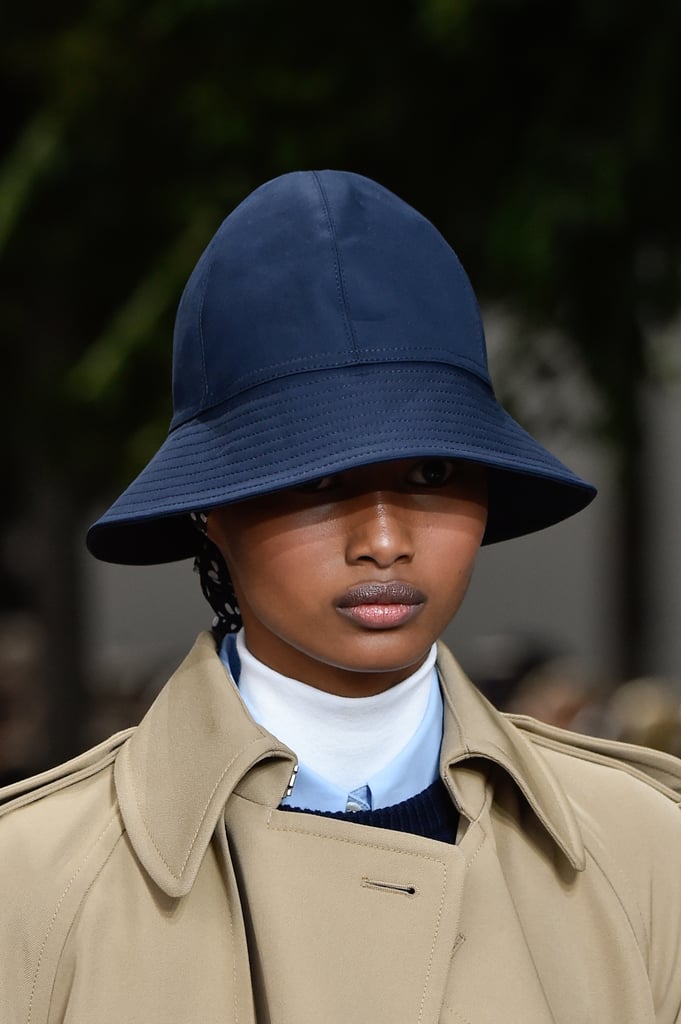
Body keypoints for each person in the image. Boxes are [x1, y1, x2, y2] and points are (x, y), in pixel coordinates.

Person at [2, 170, 681, 1024]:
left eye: (432, 472)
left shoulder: (648, 857)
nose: (385, 537)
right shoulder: (31, 890)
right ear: (209, 509)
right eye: (318, 477)